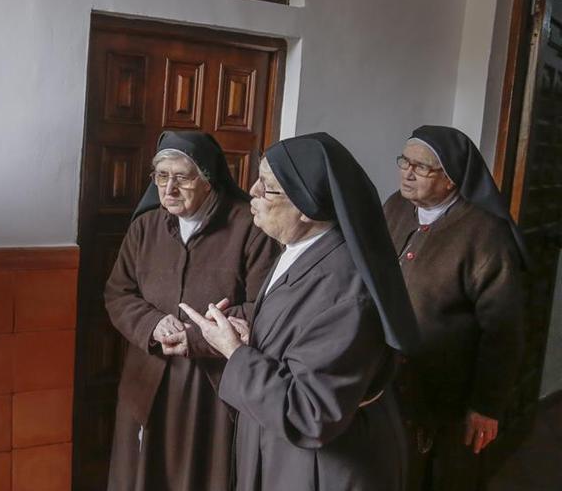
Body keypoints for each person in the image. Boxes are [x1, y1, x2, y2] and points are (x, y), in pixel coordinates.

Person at [181, 132, 420, 491]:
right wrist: (255, 338)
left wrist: (236, 352)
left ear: (307, 207)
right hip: (288, 453)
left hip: (323, 468)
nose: (253, 192)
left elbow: (311, 412)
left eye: (268, 188)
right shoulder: (301, 248)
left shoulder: (346, 286)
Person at [104, 130, 277, 490]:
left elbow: (267, 306)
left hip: (210, 386)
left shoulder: (249, 227)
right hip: (147, 375)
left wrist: (196, 337)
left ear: (208, 178)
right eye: (161, 177)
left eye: (181, 177)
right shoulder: (145, 227)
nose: (168, 189)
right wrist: (151, 324)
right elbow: (118, 293)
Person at [384, 125, 526, 491]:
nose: (407, 172)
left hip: (446, 390)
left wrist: (487, 405)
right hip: (390, 381)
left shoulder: (485, 234)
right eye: (404, 161)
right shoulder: (395, 207)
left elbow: (503, 330)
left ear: (450, 179)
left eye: (422, 167)